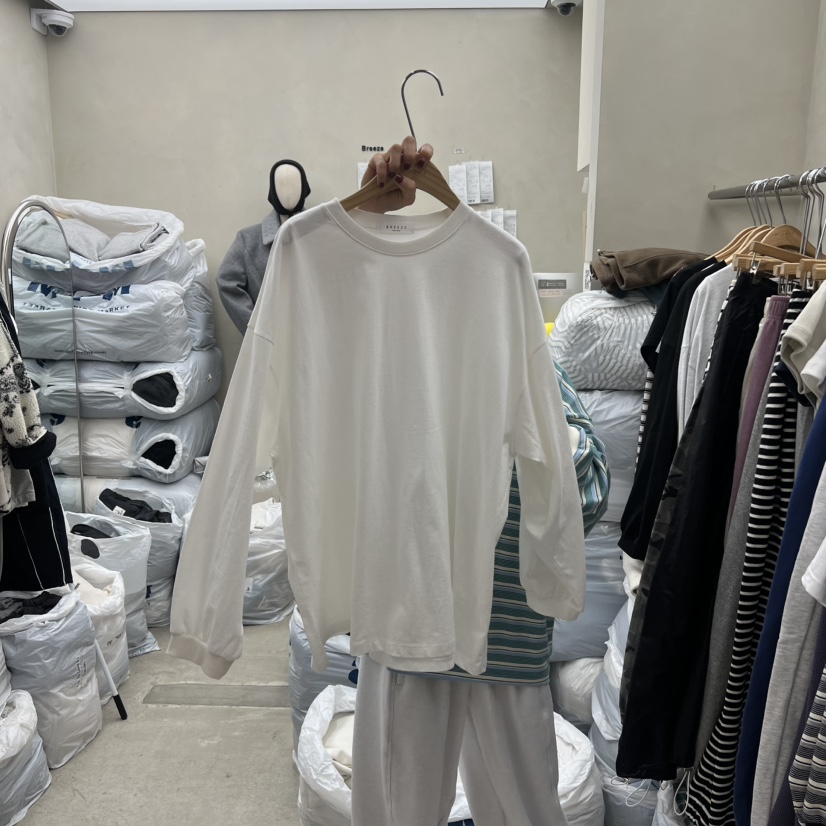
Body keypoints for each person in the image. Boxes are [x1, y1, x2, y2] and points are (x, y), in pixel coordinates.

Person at [351, 138, 610, 826]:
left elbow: (587, 492)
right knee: (403, 808)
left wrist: (520, 451)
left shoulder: (523, 352)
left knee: (513, 806)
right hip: (408, 635)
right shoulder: (369, 351)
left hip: (504, 638)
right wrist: (367, 217)